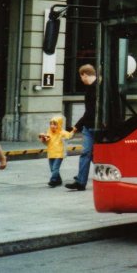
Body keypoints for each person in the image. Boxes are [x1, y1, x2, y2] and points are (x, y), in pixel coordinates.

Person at [65, 63, 96, 191]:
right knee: (87, 153)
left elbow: (91, 112)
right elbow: (88, 112)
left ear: (84, 74)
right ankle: (81, 181)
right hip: (89, 127)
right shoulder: (91, 88)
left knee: (90, 154)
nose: (81, 79)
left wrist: (76, 126)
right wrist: (78, 126)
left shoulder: (97, 88)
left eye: (81, 76)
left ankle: (81, 180)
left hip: (95, 127)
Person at [39, 115, 74, 187]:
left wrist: (73, 130)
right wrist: (43, 139)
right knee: (52, 169)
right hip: (51, 153)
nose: (52, 126)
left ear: (59, 124)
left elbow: (69, 135)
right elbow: (47, 143)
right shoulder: (48, 133)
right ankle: (58, 180)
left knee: (55, 168)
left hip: (59, 154)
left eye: (55, 124)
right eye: (51, 124)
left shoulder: (61, 132)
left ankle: (53, 180)